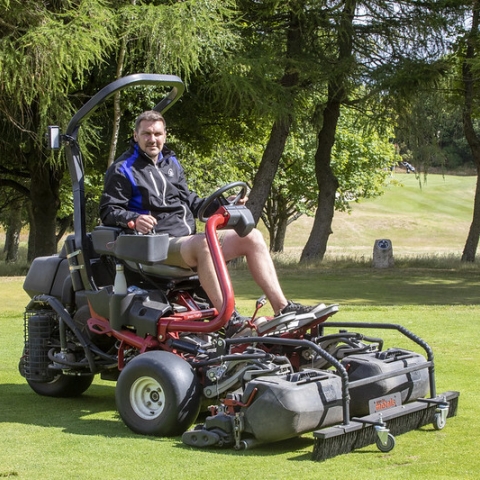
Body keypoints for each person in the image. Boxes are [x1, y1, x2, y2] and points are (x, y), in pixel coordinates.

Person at [99, 110, 321, 320]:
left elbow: (193, 202)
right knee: (204, 244)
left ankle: (282, 308)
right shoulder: (123, 169)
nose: (152, 139)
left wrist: (224, 205)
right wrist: (134, 219)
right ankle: (229, 318)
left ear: (165, 136)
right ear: (136, 135)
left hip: (186, 241)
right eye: (146, 133)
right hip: (155, 246)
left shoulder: (171, 163)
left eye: (157, 133)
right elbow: (109, 211)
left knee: (251, 237)